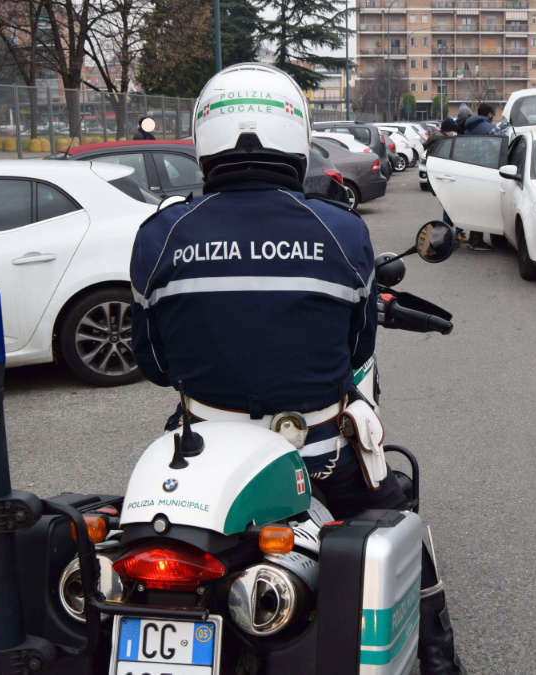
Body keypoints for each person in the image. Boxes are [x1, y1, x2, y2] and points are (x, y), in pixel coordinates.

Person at [129, 63, 464, 675]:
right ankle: (441, 658)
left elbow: (151, 362)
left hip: (200, 456)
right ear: (296, 135)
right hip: (318, 458)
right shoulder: (340, 232)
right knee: (406, 530)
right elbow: (357, 348)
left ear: (205, 138)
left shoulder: (161, 234)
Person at [458, 103, 499, 251]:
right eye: (493, 113)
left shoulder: (467, 128)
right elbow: (500, 148)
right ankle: (477, 241)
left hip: (470, 170)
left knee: (476, 205)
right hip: (487, 170)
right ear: (489, 114)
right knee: (485, 206)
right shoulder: (490, 129)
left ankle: (473, 238)